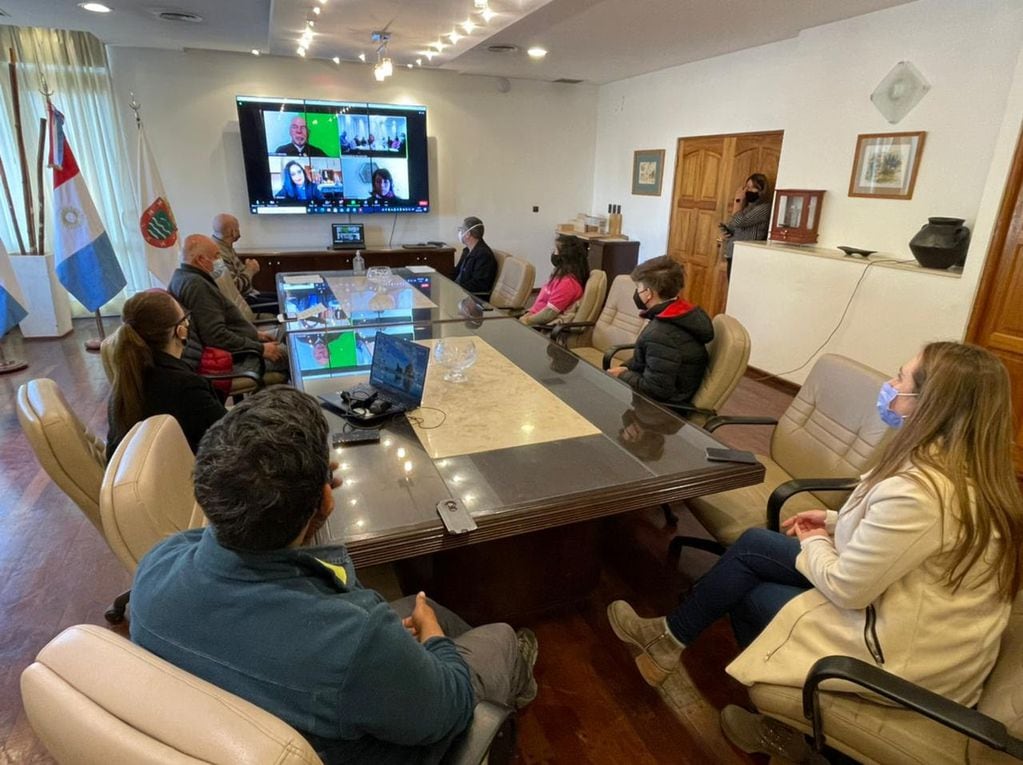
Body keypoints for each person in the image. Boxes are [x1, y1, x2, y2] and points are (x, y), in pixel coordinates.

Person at [607, 342, 1023, 761]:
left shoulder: (925, 494)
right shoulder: (965, 468)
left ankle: (785, 732)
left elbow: (848, 588)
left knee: (751, 596)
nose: (889, 386)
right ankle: (667, 639)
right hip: (910, 612)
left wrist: (814, 540)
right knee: (754, 545)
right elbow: (901, 540)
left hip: (906, 659)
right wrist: (830, 522)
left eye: (900, 379)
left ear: (930, 404)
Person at [130, 387, 539, 764]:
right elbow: (448, 709)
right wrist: (432, 641)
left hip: (271, 710)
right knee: (499, 637)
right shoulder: (357, 639)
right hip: (387, 742)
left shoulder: (154, 569)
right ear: (327, 498)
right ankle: (516, 691)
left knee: (428, 607)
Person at [104, 289, 226, 460]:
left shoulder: (125, 383)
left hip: (149, 477)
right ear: (180, 330)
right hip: (188, 477)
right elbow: (229, 436)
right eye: (185, 318)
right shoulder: (185, 387)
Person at [168, 234, 288, 378]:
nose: (220, 261)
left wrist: (255, 335)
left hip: (244, 345)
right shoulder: (197, 286)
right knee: (295, 354)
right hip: (238, 359)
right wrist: (260, 348)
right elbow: (216, 336)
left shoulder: (182, 277)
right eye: (216, 255)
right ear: (200, 260)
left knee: (288, 335)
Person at [606, 256, 714, 406]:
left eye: (638, 288)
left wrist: (623, 374)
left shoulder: (661, 334)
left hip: (660, 413)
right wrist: (627, 367)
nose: (637, 293)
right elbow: (652, 360)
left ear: (649, 293)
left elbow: (656, 390)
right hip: (668, 396)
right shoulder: (682, 315)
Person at [211, 213, 278, 312]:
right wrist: (250, 270)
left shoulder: (225, 247)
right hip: (243, 303)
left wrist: (246, 268)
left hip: (249, 295)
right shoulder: (219, 253)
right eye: (238, 227)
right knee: (284, 305)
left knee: (281, 297)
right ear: (233, 231)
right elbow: (235, 287)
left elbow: (239, 273)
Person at [520, 235, 589, 327]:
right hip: (532, 317)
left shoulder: (568, 284)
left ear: (565, 256)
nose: (554, 253)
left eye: (556, 251)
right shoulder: (560, 276)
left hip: (538, 325)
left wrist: (526, 320)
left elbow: (548, 314)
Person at [720, 173, 771, 279]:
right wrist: (727, 231)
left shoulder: (764, 208)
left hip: (745, 257)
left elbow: (738, 221)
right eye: (747, 187)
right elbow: (733, 225)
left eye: (753, 188)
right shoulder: (748, 208)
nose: (748, 190)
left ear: (762, 190)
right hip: (733, 254)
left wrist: (738, 201)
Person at [452, 216, 497, 299]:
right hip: (460, 294)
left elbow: (478, 285)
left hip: (472, 300)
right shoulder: (467, 251)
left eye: (462, 229)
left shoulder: (484, 255)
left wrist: (454, 290)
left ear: (468, 234)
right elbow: (456, 272)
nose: (460, 232)